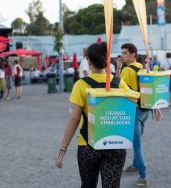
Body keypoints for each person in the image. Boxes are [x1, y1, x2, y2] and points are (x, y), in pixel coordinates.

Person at [56, 42, 131, 188]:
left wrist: (62, 150)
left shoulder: (81, 85)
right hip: (114, 143)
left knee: (88, 185)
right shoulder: (119, 82)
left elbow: (75, 118)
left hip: (88, 144)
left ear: (89, 61)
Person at [116, 43, 150, 187]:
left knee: (137, 144)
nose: (122, 56)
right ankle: (135, 166)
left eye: (125, 53)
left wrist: (118, 68)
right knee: (137, 140)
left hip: (134, 109)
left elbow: (117, 86)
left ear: (133, 55)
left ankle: (143, 176)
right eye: (122, 53)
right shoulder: (142, 67)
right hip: (145, 109)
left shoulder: (127, 70)